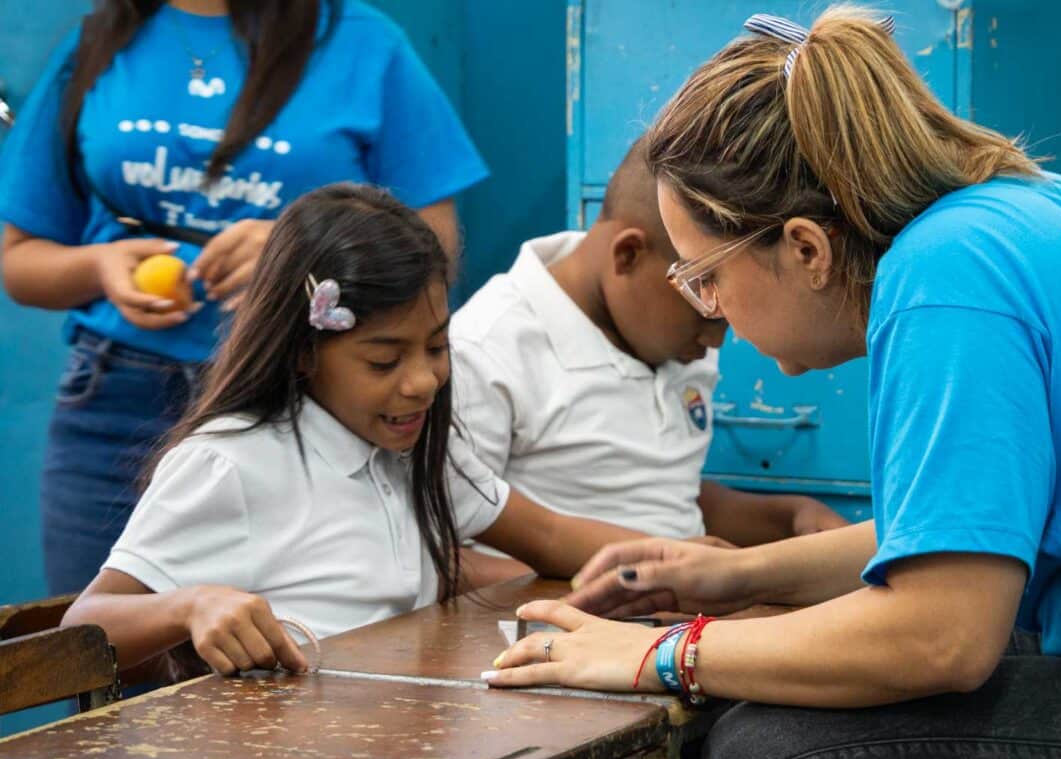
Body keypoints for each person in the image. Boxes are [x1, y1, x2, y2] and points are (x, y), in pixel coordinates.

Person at [480, 8, 1061, 759]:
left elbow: (943, 635)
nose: (709, 309)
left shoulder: (943, 283)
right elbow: (959, 539)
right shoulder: (1015, 212)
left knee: (774, 757)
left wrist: (662, 653)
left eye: (706, 275)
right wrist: (736, 576)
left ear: (805, 248)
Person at [61, 184, 654, 678]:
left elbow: (549, 535)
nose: (423, 380)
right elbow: (84, 626)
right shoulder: (230, 463)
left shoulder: (421, 450)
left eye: (436, 346)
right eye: (383, 361)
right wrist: (187, 607)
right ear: (302, 353)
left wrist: (684, 565)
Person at [0, 0, 486, 595]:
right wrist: (98, 265)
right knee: (102, 660)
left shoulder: (361, 41)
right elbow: (20, 260)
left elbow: (434, 241)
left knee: (285, 647)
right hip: (113, 403)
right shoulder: (101, 40)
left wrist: (301, 253)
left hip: (302, 404)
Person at [451, 137, 845, 587]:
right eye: (702, 294)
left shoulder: (675, 340)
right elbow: (444, 556)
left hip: (668, 618)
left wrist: (790, 518)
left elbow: (669, 496)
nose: (720, 331)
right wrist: (622, 583)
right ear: (628, 256)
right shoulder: (485, 349)